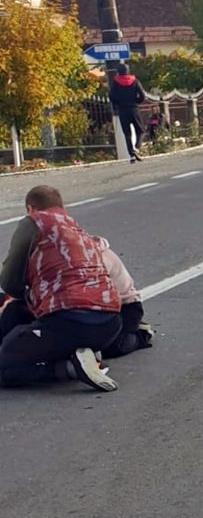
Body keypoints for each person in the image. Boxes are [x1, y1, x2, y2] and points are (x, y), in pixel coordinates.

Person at [0, 186, 122, 391]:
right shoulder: (78, 230)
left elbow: (10, 283)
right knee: (30, 322)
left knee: (6, 366)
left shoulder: (34, 222)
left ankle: (70, 368)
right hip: (110, 324)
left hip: (68, 320)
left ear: (31, 208)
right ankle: (85, 354)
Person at [95, 237, 153, 359]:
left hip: (125, 306)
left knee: (111, 348)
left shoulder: (97, 259)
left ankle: (141, 335)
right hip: (101, 307)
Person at [108, 63, 146, 163]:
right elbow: (142, 95)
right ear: (127, 70)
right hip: (134, 109)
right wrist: (137, 101)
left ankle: (131, 155)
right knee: (141, 131)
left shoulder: (115, 82)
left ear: (118, 72)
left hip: (122, 110)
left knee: (127, 133)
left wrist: (118, 103)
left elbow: (111, 96)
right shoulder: (134, 80)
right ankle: (137, 148)